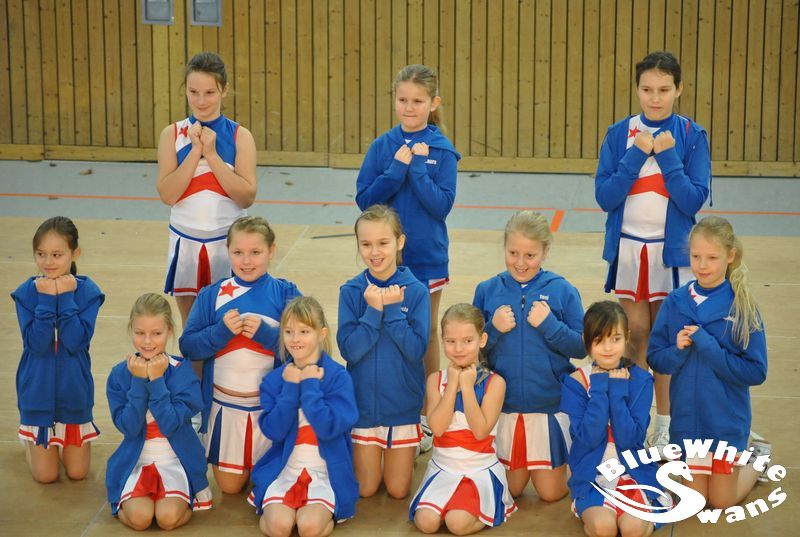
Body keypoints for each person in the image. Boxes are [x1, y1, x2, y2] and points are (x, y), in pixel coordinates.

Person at [594, 51, 711, 452]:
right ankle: (632, 421)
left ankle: (664, 424)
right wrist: (636, 153)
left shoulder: (692, 135)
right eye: (647, 90)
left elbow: (692, 200)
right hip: (629, 250)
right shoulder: (618, 134)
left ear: (679, 89)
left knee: (665, 339)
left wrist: (666, 155)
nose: (655, 98)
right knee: (634, 334)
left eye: (664, 89)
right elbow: (605, 196)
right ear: (637, 90)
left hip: (671, 255)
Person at [355, 64, 461, 451]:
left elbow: (440, 206)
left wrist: (416, 168)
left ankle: (427, 414)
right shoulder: (383, 146)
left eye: (417, 101)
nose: (409, 107)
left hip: (427, 257)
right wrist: (396, 169)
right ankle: (386, 409)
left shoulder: (442, 150)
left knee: (424, 332)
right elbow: (366, 199)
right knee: (384, 328)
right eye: (403, 99)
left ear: (434, 103)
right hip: (385, 261)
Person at [648, 217, 770, 508]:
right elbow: (655, 358)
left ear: (730, 256)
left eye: (712, 258)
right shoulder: (675, 301)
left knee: (722, 501)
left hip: (725, 422)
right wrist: (677, 351)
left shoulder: (742, 306)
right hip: (688, 423)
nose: (702, 265)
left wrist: (708, 345)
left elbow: (756, 371)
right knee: (696, 501)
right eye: (695, 257)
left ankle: (757, 459)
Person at [179, 215, 301, 494]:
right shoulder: (212, 295)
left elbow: (305, 351)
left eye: (256, 252)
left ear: (271, 251)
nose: (247, 261)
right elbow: (188, 347)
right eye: (238, 252)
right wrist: (219, 333)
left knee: (266, 482)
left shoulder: (286, 293)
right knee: (231, 488)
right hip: (225, 408)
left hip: (269, 409)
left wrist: (268, 335)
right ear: (227, 251)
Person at [472, 210, 585, 501]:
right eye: (513, 253)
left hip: (549, 406)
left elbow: (581, 347)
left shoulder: (563, 290)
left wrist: (550, 326)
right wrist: (492, 330)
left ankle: (573, 462)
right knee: (510, 490)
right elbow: (471, 350)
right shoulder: (487, 290)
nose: (520, 263)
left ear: (545, 252)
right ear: (504, 247)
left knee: (550, 494)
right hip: (504, 409)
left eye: (530, 255)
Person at [157, 51, 257, 326]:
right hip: (185, 242)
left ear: (224, 90)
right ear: (185, 90)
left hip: (228, 244)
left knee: (229, 324)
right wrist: (194, 152)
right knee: (191, 327)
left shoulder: (240, 136)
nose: (201, 101)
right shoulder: (171, 134)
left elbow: (246, 196)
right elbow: (168, 194)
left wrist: (211, 155)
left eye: (210, 92)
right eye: (194, 92)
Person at [337, 205, 430, 498]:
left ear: (400, 242)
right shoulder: (351, 291)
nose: (374, 252)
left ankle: (407, 449)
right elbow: (349, 351)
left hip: (402, 407)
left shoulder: (417, 291)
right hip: (363, 408)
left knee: (398, 490)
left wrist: (392, 312)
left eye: (383, 243)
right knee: (365, 489)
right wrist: (372, 312)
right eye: (366, 244)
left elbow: (416, 351)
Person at [249, 297, 359, 537]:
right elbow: (274, 431)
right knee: (279, 527)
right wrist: (290, 388)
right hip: (285, 469)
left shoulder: (338, 377)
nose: (295, 339)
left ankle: (325, 512)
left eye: (304, 331)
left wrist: (310, 385)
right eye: (288, 332)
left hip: (326, 472)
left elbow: (328, 428)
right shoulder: (275, 379)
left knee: (309, 527)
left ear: (322, 334)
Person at [562, 301, 671, 537]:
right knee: (604, 529)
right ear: (586, 341)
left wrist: (618, 394)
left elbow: (629, 439)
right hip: (592, 475)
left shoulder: (641, 380)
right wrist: (600, 390)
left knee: (632, 529)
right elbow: (588, 438)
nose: (608, 348)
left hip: (633, 472)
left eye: (616, 338)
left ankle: (644, 514)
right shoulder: (575, 382)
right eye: (599, 340)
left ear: (627, 337)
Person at [106, 293, 212, 530]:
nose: (147, 341)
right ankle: (125, 498)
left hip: (176, 460)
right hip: (137, 461)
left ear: (170, 331)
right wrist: (138, 381)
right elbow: (130, 428)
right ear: (130, 329)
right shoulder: (120, 374)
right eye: (139, 332)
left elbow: (169, 424)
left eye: (156, 333)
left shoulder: (183, 371)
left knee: (167, 519)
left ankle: (188, 497)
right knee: (140, 519)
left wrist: (156, 381)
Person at [410, 304, 516, 534]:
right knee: (426, 523)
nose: (458, 349)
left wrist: (467, 388)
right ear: (442, 340)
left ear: (482, 339)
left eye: (468, 341)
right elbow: (437, 428)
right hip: (443, 468)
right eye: (451, 341)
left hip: (478, 470)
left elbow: (480, 431)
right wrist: (452, 386)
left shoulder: (495, 383)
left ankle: (493, 507)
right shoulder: (435, 380)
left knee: (457, 524)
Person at [13, 216, 105, 483]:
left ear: (75, 253)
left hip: (73, 393)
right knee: (47, 476)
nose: (48, 262)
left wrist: (65, 297)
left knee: (77, 473)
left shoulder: (88, 292)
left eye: (57, 254)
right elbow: (37, 344)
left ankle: (57, 443)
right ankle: (30, 441)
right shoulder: (26, 293)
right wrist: (45, 299)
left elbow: (76, 342)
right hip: (36, 392)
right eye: (40, 254)